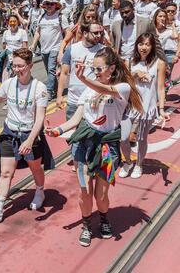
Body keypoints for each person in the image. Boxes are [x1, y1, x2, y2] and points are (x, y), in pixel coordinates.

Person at [45, 47, 142, 247]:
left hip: (107, 148)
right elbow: (77, 118)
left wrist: (82, 78)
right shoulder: (89, 90)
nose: (95, 73)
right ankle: (87, 225)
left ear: (112, 68)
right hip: (83, 145)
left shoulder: (122, 88)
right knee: (85, 191)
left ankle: (104, 217)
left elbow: (105, 90)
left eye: (99, 69)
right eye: (93, 69)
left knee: (102, 194)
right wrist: (58, 130)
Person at [0, 48, 54, 222]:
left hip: (29, 134)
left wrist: (30, 140)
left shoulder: (39, 88)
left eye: (21, 66)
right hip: (9, 133)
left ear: (30, 65)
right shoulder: (9, 83)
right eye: (14, 65)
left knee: (35, 168)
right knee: (5, 172)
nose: (17, 69)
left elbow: (40, 118)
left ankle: (40, 191)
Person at [119, 33, 169, 179]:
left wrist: (161, 109)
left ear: (152, 46)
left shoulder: (159, 63)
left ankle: (139, 165)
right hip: (129, 106)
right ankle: (128, 162)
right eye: (141, 44)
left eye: (147, 44)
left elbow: (160, 88)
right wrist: (136, 74)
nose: (144, 47)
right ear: (136, 45)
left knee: (141, 139)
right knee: (123, 138)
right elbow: (124, 83)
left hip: (147, 107)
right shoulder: (129, 62)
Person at [30, 0, 63, 100]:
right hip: (44, 48)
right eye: (47, 3)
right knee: (49, 70)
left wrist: (64, 48)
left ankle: (49, 91)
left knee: (51, 69)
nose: (49, 5)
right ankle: (56, 88)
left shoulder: (60, 17)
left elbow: (68, 32)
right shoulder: (41, 16)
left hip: (56, 47)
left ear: (56, 6)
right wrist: (34, 44)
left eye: (52, 4)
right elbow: (37, 32)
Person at [0, 15, 28, 81]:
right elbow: (4, 46)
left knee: (18, 77)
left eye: (14, 21)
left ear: (18, 22)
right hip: (8, 57)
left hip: (19, 57)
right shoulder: (6, 33)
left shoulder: (22, 32)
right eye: (10, 21)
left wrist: (23, 59)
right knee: (6, 76)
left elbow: (25, 47)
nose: (12, 23)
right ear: (8, 23)